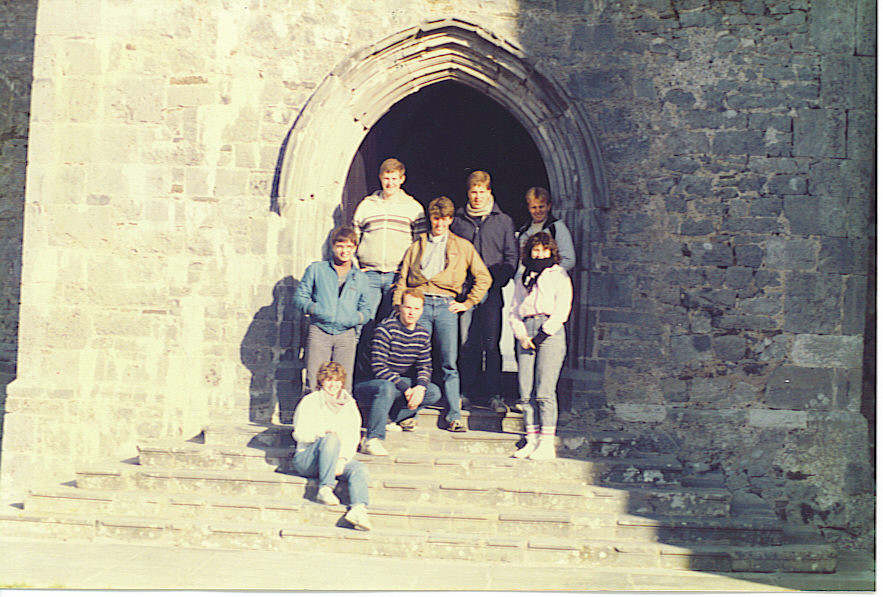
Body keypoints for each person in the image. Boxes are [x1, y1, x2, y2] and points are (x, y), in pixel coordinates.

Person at [393, 196, 492, 432]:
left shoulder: (463, 246)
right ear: (431, 218)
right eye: (436, 218)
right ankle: (408, 413)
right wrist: (399, 308)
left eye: (445, 218)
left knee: (449, 362)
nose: (440, 223)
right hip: (420, 304)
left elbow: (484, 277)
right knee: (415, 359)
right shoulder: (417, 245)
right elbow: (402, 279)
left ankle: (454, 415)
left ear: (450, 220)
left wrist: (468, 302)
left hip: (447, 305)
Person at [451, 170, 519, 414]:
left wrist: (496, 282)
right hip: (465, 293)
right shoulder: (459, 220)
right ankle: (464, 392)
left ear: (489, 192)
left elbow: (511, 257)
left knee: (491, 344)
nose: (477, 197)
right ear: (468, 193)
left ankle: (494, 394)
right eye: (473, 192)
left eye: (482, 192)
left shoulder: (503, 221)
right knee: (466, 343)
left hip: (491, 292)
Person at [354, 288, 443, 456]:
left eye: (416, 309)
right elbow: (378, 368)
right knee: (386, 387)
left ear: (422, 310)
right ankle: (372, 439)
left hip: (396, 384)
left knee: (433, 392)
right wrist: (407, 389)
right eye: (408, 307)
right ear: (400, 307)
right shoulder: (385, 328)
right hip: (370, 384)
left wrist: (420, 387)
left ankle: (391, 418)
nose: (411, 313)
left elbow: (425, 366)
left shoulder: (422, 334)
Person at [508, 232, 573, 460]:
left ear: (551, 252)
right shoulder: (523, 276)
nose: (540, 254)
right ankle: (531, 438)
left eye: (544, 250)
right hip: (527, 329)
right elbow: (515, 309)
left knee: (544, 391)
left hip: (549, 331)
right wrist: (522, 335)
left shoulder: (559, 275)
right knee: (526, 391)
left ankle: (547, 442)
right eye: (536, 250)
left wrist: (542, 336)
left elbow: (562, 309)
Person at [291, 361, 372, 531]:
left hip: (335, 459)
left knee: (359, 469)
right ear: (322, 381)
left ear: (342, 382)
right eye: (329, 380)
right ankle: (325, 488)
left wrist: (342, 458)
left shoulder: (349, 404)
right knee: (331, 438)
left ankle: (358, 509)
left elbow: (352, 435)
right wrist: (322, 433)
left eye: (337, 381)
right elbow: (299, 433)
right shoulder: (310, 401)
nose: (333, 385)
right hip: (308, 458)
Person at [293, 226, 371, 393]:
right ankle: (312, 418)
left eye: (349, 247)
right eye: (340, 246)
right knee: (314, 380)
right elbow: (300, 298)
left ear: (355, 248)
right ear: (333, 246)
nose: (345, 251)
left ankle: (340, 418)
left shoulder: (361, 278)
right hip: (319, 331)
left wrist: (353, 319)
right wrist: (317, 309)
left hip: (346, 335)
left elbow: (367, 309)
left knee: (343, 383)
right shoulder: (317, 270)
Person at [352, 158, 426, 323]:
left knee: (391, 322)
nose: (390, 183)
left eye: (394, 179)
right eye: (386, 178)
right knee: (363, 322)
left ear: (402, 179)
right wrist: (357, 267)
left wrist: (407, 273)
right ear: (380, 178)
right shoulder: (366, 205)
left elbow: (420, 246)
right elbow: (354, 238)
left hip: (397, 275)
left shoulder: (414, 208)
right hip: (369, 274)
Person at [515, 187, 576, 272]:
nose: (538, 211)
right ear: (528, 208)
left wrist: (548, 274)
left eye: (541, 207)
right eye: (534, 207)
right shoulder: (524, 231)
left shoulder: (557, 228)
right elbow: (521, 262)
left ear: (548, 206)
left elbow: (569, 260)